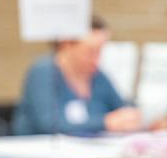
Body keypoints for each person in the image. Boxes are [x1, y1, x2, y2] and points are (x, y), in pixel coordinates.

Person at [12, 16, 144, 135]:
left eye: (100, 51)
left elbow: (121, 109)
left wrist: (131, 117)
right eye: (91, 51)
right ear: (66, 44)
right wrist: (105, 122)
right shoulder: (44, 72)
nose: (97, 59)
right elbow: (49, 125)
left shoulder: (98, 76)